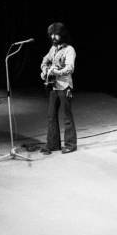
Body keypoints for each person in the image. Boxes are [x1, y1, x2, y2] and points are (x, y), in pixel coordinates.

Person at [40, 22, 77, 154]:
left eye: (56, 34)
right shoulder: (53, 49)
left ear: (62, 35)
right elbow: (45, 60)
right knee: (51, 116)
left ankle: (70, 145)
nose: (53, 37)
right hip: (53, 87)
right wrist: (45, 70)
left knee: (67, 116)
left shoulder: (69, 49)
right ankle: (53, 144)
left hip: (64, 86)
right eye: (51, 34)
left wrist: (56, 72)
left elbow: (70, 68)